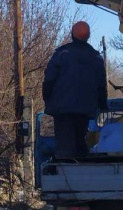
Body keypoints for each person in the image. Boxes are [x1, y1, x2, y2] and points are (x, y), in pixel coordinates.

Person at [42, 21, 108, 158]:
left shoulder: (62, 54)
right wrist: (102, 104)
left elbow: (49, 80)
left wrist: (47, 97)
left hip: (62, 109)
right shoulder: (95, 57)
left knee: (65, 148)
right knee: (80, 144)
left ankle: (66, 174)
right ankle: (81, 169)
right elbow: (101, 85)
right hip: (85, 110)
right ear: (88, 36)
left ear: (72, 34)